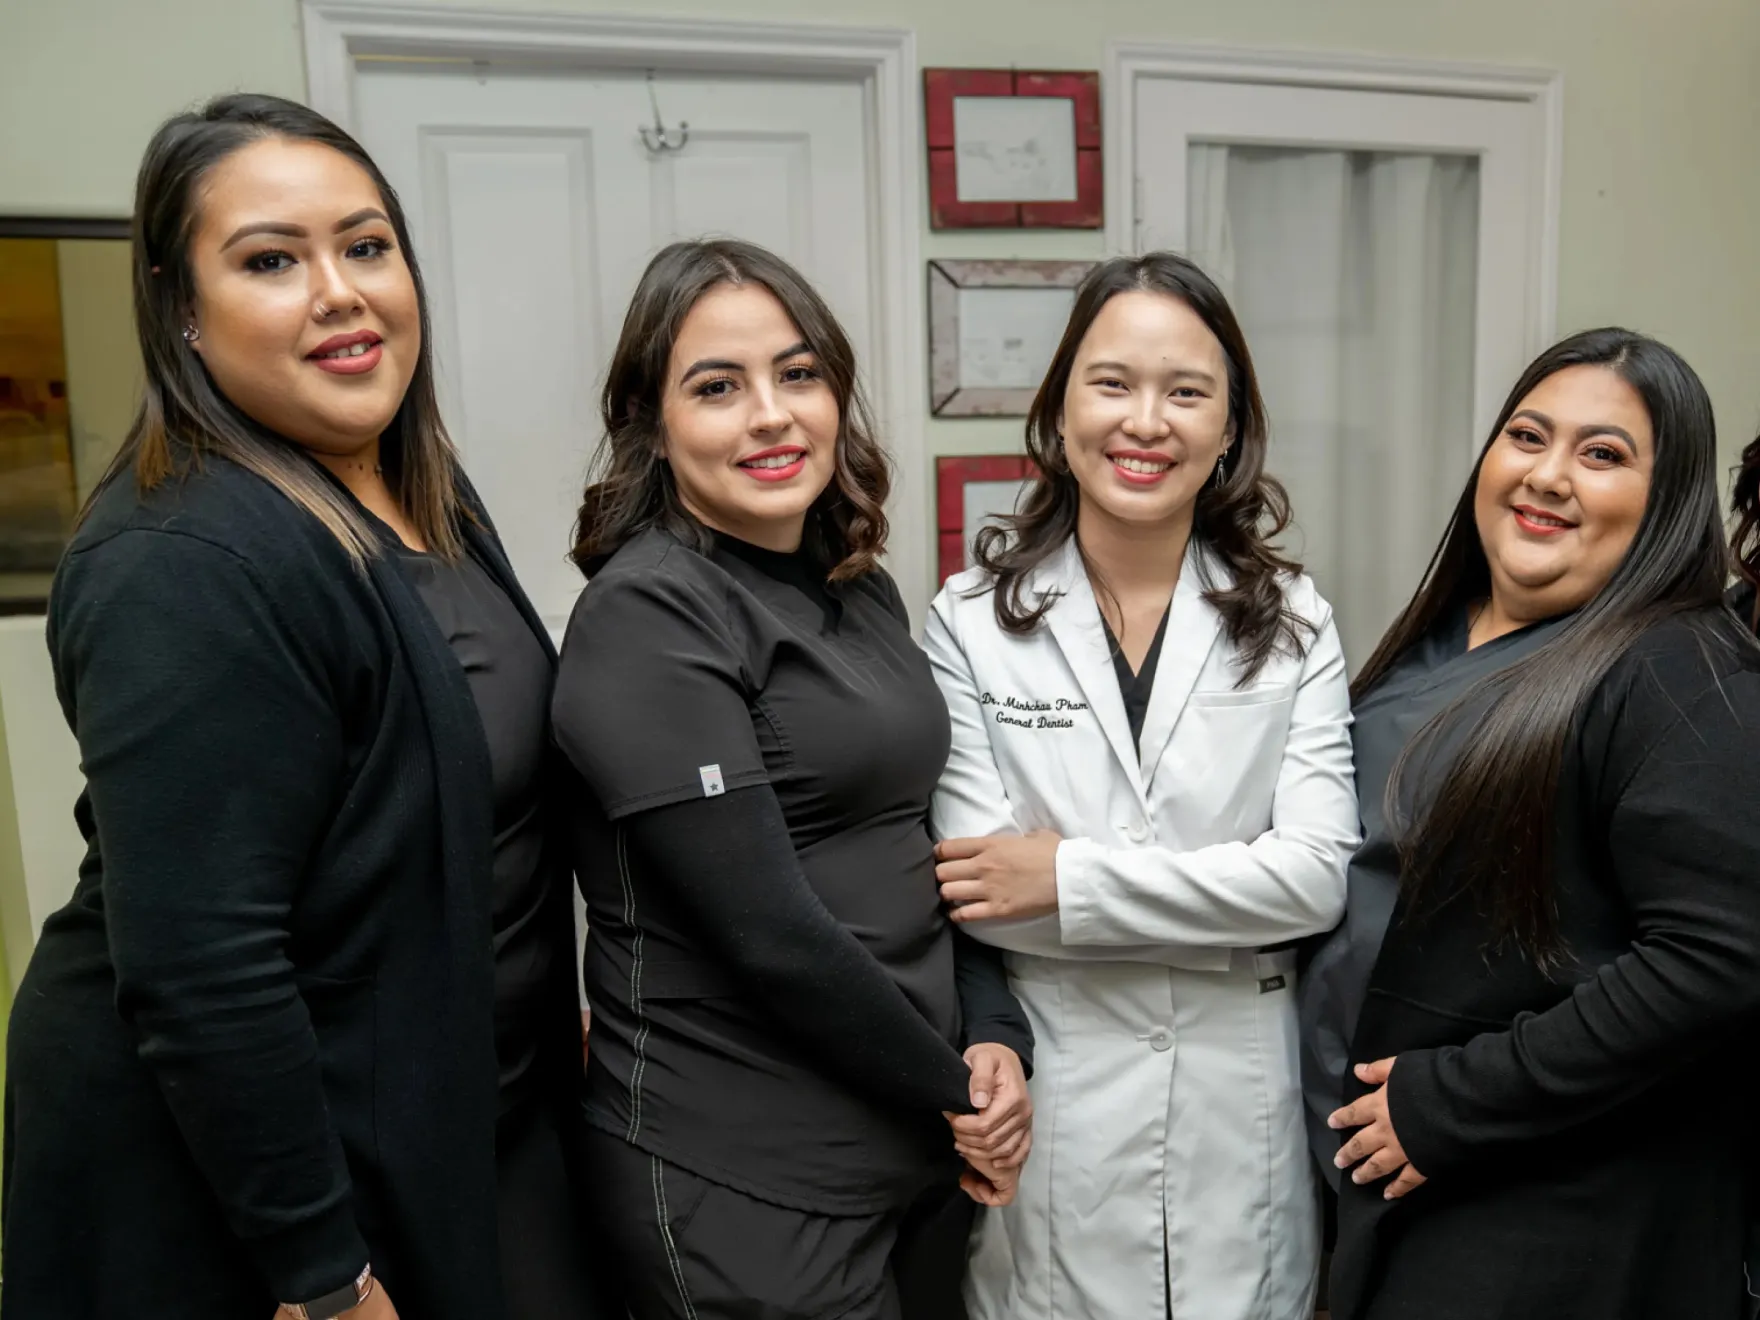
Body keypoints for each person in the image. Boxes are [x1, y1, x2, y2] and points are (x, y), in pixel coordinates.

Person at [2, 94, 602, 1320]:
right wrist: (322, 1274)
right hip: (258, 1184)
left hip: (456, 1105)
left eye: (365, 245)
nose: (340, 290)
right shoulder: (180, 560)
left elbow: (461, 821)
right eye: (271, 260)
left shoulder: (412, 488)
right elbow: (204, 965)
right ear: (181, 310)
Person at [551, 237, 1036, 1320]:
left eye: (798, 372)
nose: (770, 414)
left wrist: (1000, 1035)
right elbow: (768, 930)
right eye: (716, 387)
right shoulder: (648, 615)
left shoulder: (852, 589)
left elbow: (926, 842)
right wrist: (957, 1091)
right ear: (650, 424)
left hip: (906, 1149)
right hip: (742, 1177)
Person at [925, 252, 1358, 1320]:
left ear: (1226, 429)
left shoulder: (1294, 619)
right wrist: (1219, 896)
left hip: (1235, 1105)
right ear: (1060, 408)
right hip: (1056, 1097)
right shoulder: (969, 622)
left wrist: (1064, 876)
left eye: (1185, 391)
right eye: (1111, 382)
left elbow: (1311, 882)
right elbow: (984, 895)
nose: (1144, 421)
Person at [1299, 327, 1760, 1320]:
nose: (1547, 475)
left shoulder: (1676, 668)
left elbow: (1720, 957)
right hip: (1373, 1181)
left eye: (1600, 454)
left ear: (1663, 500)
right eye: (1526, 435)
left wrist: (1454, 1100)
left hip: (1533, 1213)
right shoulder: (1436, 635)